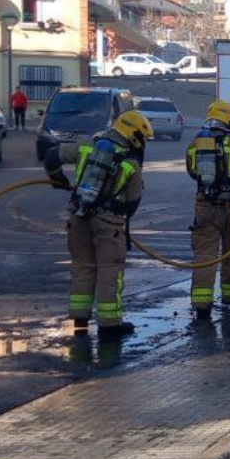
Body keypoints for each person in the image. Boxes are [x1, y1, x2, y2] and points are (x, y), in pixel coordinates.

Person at [44, 110, 152, 339]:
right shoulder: (131, 163)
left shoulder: (87, 146)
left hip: (77, 216)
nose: (143, 144)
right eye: (142, 139)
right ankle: (109, 325)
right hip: (108, 223)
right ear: (133, 136)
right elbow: (132, 203)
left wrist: (58, 180)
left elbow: (51, 157)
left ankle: (80, 320)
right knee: (109, 271)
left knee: (82, 266)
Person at [186, 100, 230, 319]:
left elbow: (191, 170)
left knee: (205, 255)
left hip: (206, 206)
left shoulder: (197, 141)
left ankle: (202, 303)